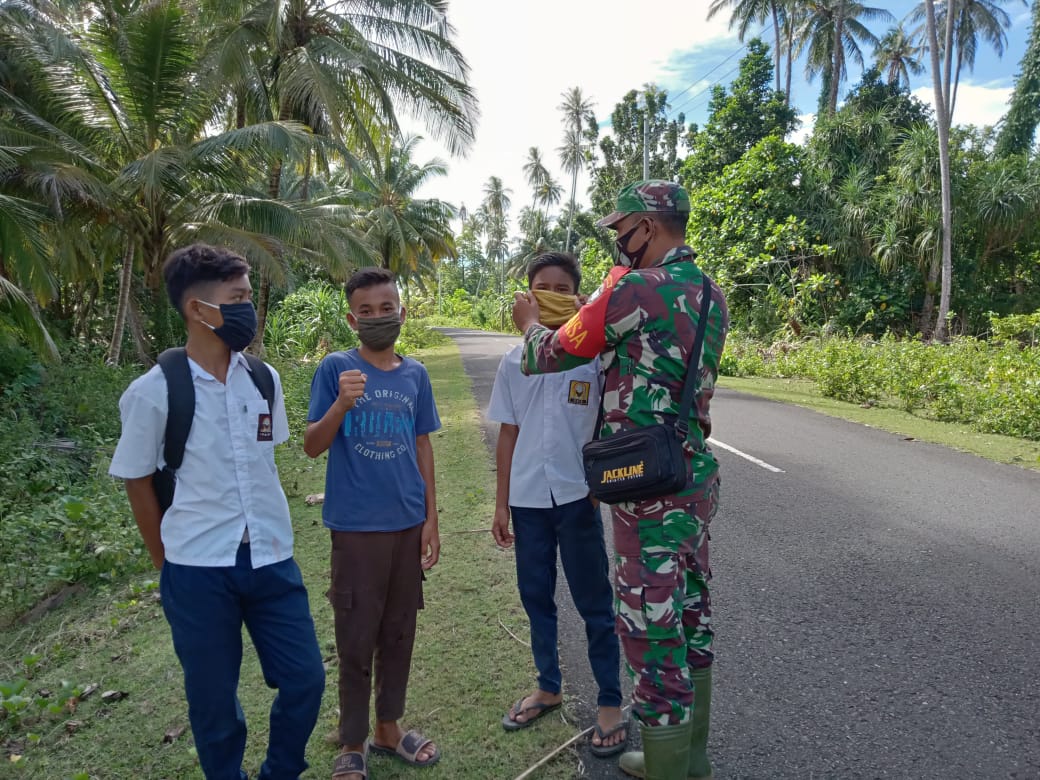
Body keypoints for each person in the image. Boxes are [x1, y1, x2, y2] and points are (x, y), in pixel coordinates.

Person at [511, 181, 729, 780]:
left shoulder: (635, 288)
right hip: (692, 472)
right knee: (690, 608)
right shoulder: (711, 293)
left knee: (647, 621)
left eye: (622, 230)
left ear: (650, 227)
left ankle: (664, 765)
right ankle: (693, 756)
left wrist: (531, 322)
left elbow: (550, 354)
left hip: (647, 483)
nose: (618, 241)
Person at [109, 243, 326, 780]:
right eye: (239, 298)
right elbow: (137, 481)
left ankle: (281, 772)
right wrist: (168, 562)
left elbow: (262, 459)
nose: (249, 309)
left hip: (272, 557)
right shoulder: (153, 392)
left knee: (305, 679)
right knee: (213, 702)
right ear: (198, 310)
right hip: (197, 570)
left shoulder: (263, 378)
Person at [303, 267, 441, 780]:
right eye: (367, 311)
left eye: (387, 308)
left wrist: (431, 518)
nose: (379, 317)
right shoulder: (335, 369)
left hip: (407, 524)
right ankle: (353, 739)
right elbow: (312, 445)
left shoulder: (416, 375)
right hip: (356, 530)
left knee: (400, 630)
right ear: (351, 318)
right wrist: (342, 402)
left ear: (403, 312)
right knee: (356, 634)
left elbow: (422, 444)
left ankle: (389, 726)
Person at [488, 252, 628, 756]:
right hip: (527, 501)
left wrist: (597, 490)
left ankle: (610, 701)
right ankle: (549, 687)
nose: (549, 293)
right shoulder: (513, 361)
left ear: (577, 298)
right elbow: (508, 433)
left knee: (594, 602)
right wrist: (500, 505)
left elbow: (607, 427)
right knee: (535, 596)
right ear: (526, 294)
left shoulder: (594, 358)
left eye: (561, 287)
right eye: (540, 286)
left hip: (577, 499)